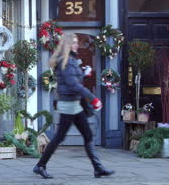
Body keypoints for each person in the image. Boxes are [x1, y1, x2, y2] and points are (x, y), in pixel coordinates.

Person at [33, 33, 115, 179]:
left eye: (77, 42)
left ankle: (98, 168)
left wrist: (84, 74)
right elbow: (73, 85)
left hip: (74, 105)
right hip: (69, 106)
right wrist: (93, 99)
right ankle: (40, 165)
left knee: (87, 135)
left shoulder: (69, 60)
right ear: (67, 45)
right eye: (74, 42)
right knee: (59, 137)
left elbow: (71, 81)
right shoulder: (68, 61)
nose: (77, 45)